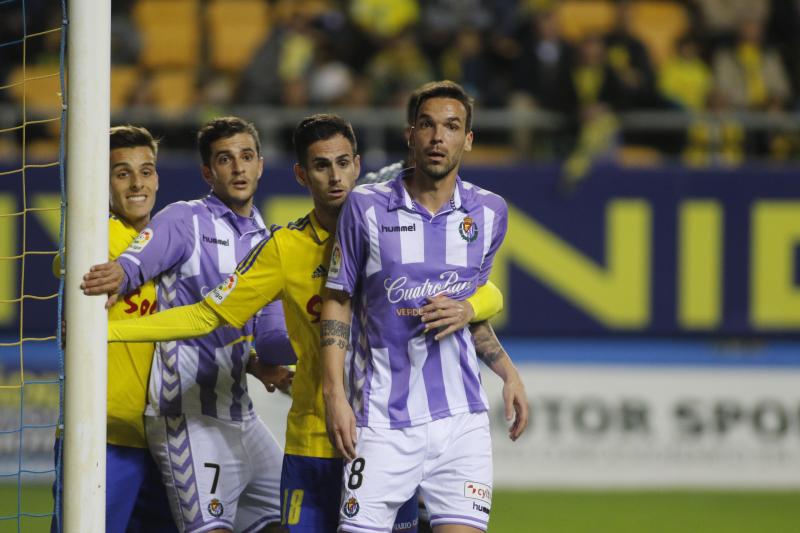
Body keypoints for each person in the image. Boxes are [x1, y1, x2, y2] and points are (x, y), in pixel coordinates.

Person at [99, 113, 504, 533]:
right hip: (302, 437)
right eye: (321, 165)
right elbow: (205, 311)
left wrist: (492, 346)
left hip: (385, 436)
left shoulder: (394, 238)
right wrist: (108, 331)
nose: (335, 177)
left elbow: (480, 292)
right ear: (301, 174)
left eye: (343, 163)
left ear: (358, 166)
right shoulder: (280, 246)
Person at [321, 81, 529, 533]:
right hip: (381, 421)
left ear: (468, 139)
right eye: (428, 126)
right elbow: (336, 300)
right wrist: (334, 393)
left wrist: (508, 373)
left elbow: (467, 312)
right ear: (410, 135)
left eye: (452, 127)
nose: (439, 137)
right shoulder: (366, 206)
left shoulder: (489, 213)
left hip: (462, 422)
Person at [81, 117, 290, 533]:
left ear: (261, 165)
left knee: (289, 520)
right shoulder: (184, 219)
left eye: (246, 157)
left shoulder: (266, 236)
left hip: (242, 416)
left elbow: (261, 330)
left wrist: (272, 358)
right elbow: (135, 263)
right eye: (225, 160)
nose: (238, 168)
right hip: (185, 417)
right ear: (207, 173)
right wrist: (119, 274)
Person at [51, 125, 177, 533]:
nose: (138, 182)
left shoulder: (167, 243)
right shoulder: (99, 237)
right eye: (122, 173)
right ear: (100, 181)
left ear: (158, 177)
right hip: (101, 436)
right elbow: (69, 260)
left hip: (164, 441)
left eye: (147, 170)